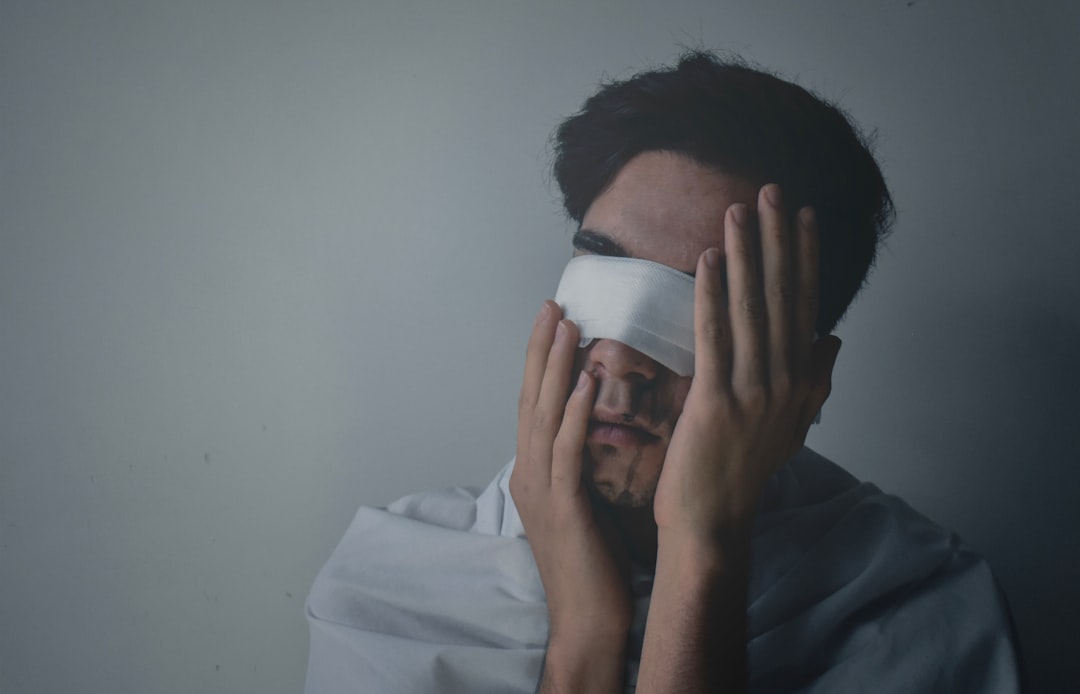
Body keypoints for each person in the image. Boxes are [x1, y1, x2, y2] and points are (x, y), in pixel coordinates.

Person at [304, 51, 1022, 693]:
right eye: (604, 276)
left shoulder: (915, 606)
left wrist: (699, 552)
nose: (618, 355)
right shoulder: (391, 593)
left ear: (807, 381)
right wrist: (584, 638)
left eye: (699, 309)